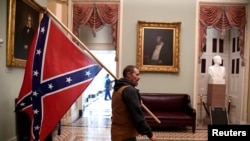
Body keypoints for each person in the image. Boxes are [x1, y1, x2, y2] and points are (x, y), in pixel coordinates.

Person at [111, 65, 156, 141]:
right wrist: (149, 133)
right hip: (125, 135)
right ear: (129, 74)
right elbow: (137, 115)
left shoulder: (118, 89)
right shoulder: (129, 90)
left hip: (117, 133)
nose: (139, 77)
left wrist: (137, 100)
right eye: (137, 74)